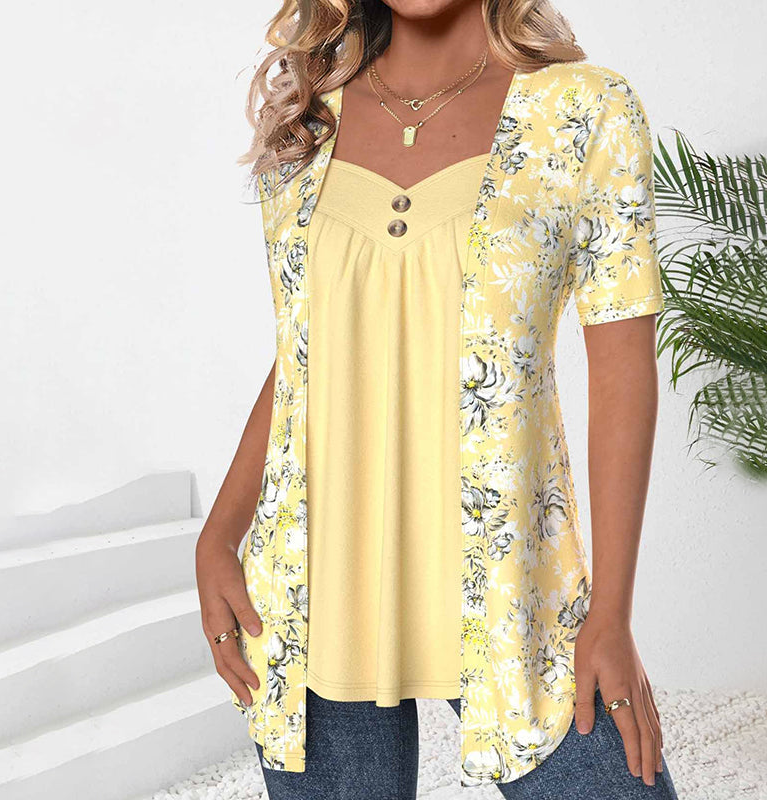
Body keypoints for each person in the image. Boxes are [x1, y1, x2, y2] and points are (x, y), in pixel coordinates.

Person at [195, 1, 680, 798]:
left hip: (512, 587)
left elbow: (623, 369)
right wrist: (220, 533)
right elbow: (310, 355)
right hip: (313, 592)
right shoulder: (306, 123)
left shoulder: (585, 109)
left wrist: (612, 616)